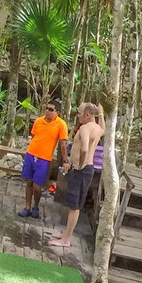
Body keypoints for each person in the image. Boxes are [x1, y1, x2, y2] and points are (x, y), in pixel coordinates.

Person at [50, 103, 105, 248]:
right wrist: (101, 114)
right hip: (87, 169)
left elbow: (85, 149)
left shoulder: (85, 128)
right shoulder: (97, 128)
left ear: (88, 115)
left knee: (74, 206)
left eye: (80, 113)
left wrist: (80, 164)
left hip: (82, 170)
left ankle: (66, 240)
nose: (78, 115)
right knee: (72, 204)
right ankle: (65, 233)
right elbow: (104, 129)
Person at [18, 101, 69, 219]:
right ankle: (27, 207)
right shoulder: (38, 121)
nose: (47, 111)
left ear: (57, 112)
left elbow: (62, 145)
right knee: (29, 182)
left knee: (37, 186)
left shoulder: (61, 124)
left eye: (51, 110)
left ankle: (36, 206)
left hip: (44, 159)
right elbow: (34, 137)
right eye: (46, 108)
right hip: (31, 154)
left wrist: (65, 160)